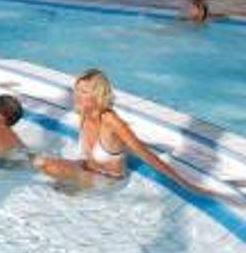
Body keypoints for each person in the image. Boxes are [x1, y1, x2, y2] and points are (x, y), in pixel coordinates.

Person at [33, 68, 203, 193]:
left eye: (83, 92)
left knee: (51, 176)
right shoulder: (84, 112)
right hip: (86, 169)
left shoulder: (111, 121)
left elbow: (147, 155)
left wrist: (186, 184)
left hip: (108, 181)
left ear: (97, 95)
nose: (76, 95)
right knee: (39, 163)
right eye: (76, 90)